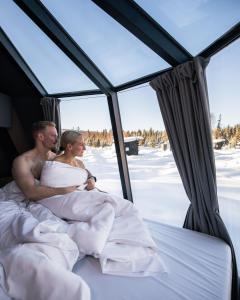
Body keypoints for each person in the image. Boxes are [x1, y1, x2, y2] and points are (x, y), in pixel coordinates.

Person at [12, 121, 79, 201]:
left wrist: (92, 178)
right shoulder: (22, 162)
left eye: (57, 136)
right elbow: (30, 193)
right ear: (41, 137)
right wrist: (63, 190)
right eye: (53, 136)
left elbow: (79, 166)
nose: (57, 140)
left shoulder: (57, 158)